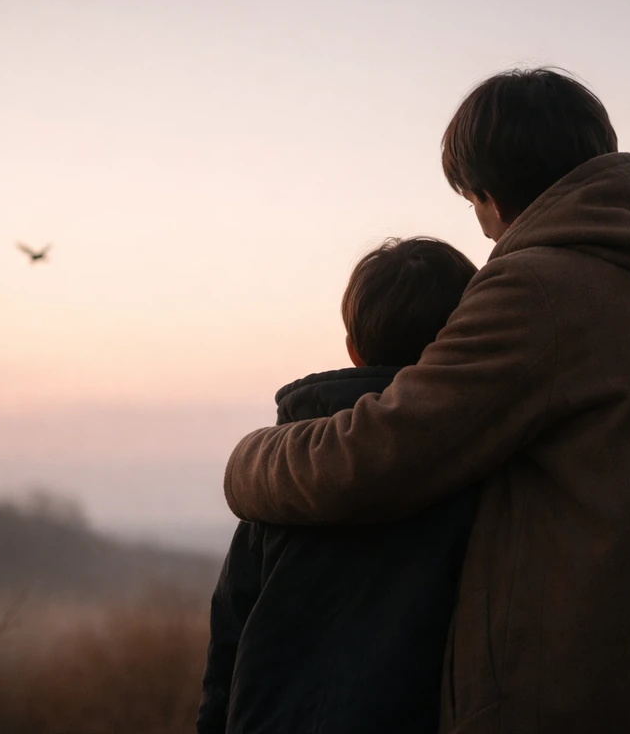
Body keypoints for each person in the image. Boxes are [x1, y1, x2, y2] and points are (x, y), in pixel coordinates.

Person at [223, 68, 630, 733]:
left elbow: (372, 458)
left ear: (488, 192)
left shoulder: (541, 286)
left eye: (473, 205)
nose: (485, 238)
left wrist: (250, 459)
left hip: (595, 699)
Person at [198, 237, 481, 734]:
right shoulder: (479, 467)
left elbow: (229, 637)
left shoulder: (282, 474)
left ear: (353, 350)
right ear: (464, 339)